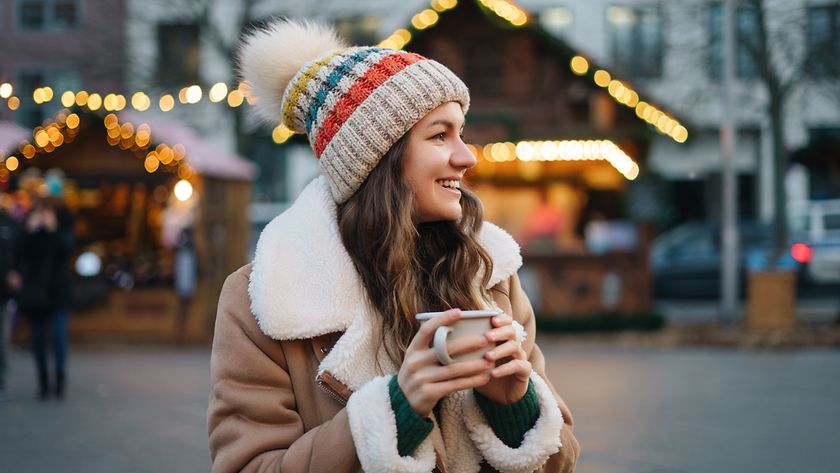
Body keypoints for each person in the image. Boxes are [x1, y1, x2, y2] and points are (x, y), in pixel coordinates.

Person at [207, 20, 580, 473]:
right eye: (440, 135)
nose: (467, 156)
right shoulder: (266, 301)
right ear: (378, 157)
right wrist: (395, 411)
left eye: (461, 133)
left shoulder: (491, 276)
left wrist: (514, 408)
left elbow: (561, 460)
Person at [16, 197, 74, 400]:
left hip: (58, 292)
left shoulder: (62, 229)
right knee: (38, 339)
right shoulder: (30, 231)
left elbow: (68, 250)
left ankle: (59, 378)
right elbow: (19, 254)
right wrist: (29, 232)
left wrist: (53, 230)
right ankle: (43, 381)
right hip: (36, 293)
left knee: (58, 335)